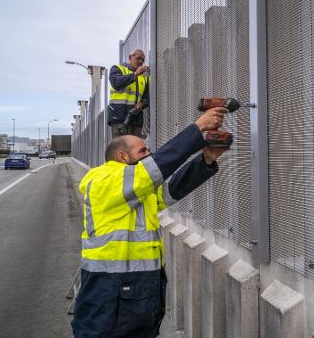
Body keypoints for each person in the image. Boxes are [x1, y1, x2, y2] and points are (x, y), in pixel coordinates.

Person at [72, 106, 229, 338]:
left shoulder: (134, 189)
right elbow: (154, 168)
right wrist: (197, 129)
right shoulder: (104, 180)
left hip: (133, 293)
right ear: (122, 157)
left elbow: (169, 191)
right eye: (143, 150)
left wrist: (206, 160)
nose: (149, 154)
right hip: (109, 293)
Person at [108, 49, 150, 138]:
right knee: (121, 148)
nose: (140, 62)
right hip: (119, 118)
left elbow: (147, 97)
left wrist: (142, 104)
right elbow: (116, 83)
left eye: (142, 60)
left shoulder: (144, 77)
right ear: (130, 58)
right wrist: (135, 74)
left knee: (135, 149)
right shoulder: (117, 69)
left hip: (136, 119)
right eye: (138, 58)